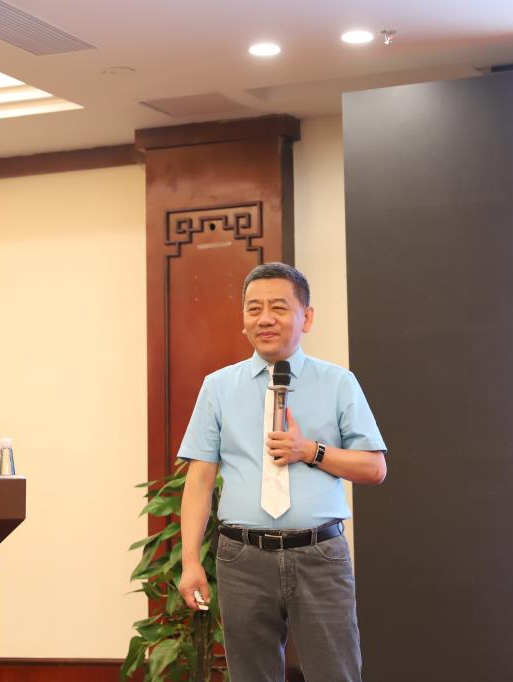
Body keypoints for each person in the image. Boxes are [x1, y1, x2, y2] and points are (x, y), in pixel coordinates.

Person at [177, 262, 387, 682]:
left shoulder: (338, 383)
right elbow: (199, 480)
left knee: (336, 674)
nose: (265, 318)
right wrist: (190, 561)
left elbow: (374, 467)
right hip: (241, 557)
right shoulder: (218, 387)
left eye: (279, 307)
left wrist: (310, 450)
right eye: (254, 309)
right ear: (243, 320)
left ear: (306, 318)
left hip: (319, 554)